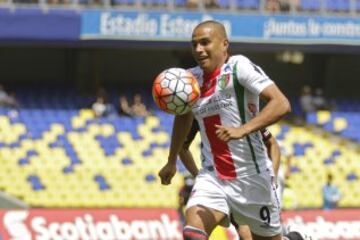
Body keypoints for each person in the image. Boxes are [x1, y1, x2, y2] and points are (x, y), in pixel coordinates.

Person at [158, 20, 307, 240]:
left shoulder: (239, 67)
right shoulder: (190, 80)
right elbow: (183, 118)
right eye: (194, 44)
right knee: (193, 232)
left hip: (252, 178)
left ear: (224, 44)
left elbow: (281, 104)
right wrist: (171, 161)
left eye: (205, 42)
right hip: (214, 176)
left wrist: (243, 129)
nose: (198, 49)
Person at [179, 119, 282, 240]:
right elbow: (182, 147)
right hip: (215, 181)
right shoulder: (199, 109)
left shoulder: (244, 113)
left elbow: (273, 144)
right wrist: (199, 176)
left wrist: (273, 176)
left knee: (247, 237)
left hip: (250, 184)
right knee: (193, 234)